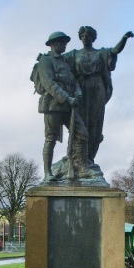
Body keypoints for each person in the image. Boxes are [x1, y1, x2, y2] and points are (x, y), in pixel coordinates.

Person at [65, 27, 134, 164]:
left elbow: (115, 51)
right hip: (80, 89)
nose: (86, 37)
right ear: (80, 37)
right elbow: (56, 60)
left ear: (93, 38)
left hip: (97, 88)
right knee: (80, 124)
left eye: (89, 35)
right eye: (83, 35)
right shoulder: (73, 55)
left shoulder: (101, 53)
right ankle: (77, 158)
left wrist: (124, 39)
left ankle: (90, 158)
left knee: (95, 124)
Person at [34, 31, 96, 182]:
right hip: (53, 105)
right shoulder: (45, 61)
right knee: (51, 139)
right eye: (63, 43)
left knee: (82, 134)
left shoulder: (64, 62)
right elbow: (49, 83)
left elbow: (73, 81)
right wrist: (67, 98)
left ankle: (81, 168)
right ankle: (48, 172)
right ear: (54, 44)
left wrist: (78, 93)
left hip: (69, 107)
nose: (65, 45)